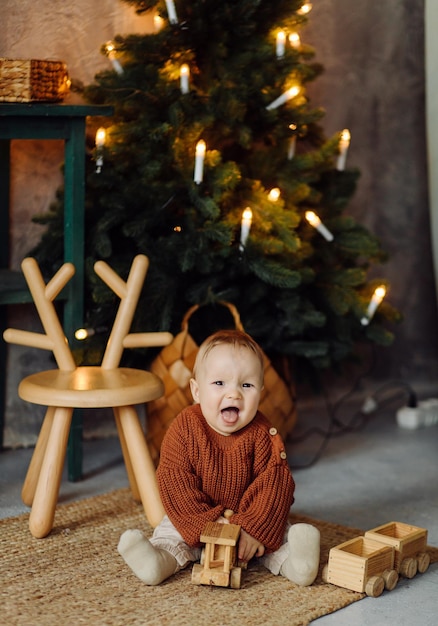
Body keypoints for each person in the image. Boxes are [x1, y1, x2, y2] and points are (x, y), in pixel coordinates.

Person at [118, 329, 320, 586]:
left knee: (277, 533)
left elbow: (275, 483)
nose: (234, 394)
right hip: (196, 518)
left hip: (248, 518)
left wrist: (252, 529)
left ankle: (298, 564)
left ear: (260, 391)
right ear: (197, 391)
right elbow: (174, 480)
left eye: (246, 385)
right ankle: (157, 562)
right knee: (170, 534)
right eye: (219, 384)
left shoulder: (262, 433)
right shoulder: (185, 428)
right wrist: (208, 524)